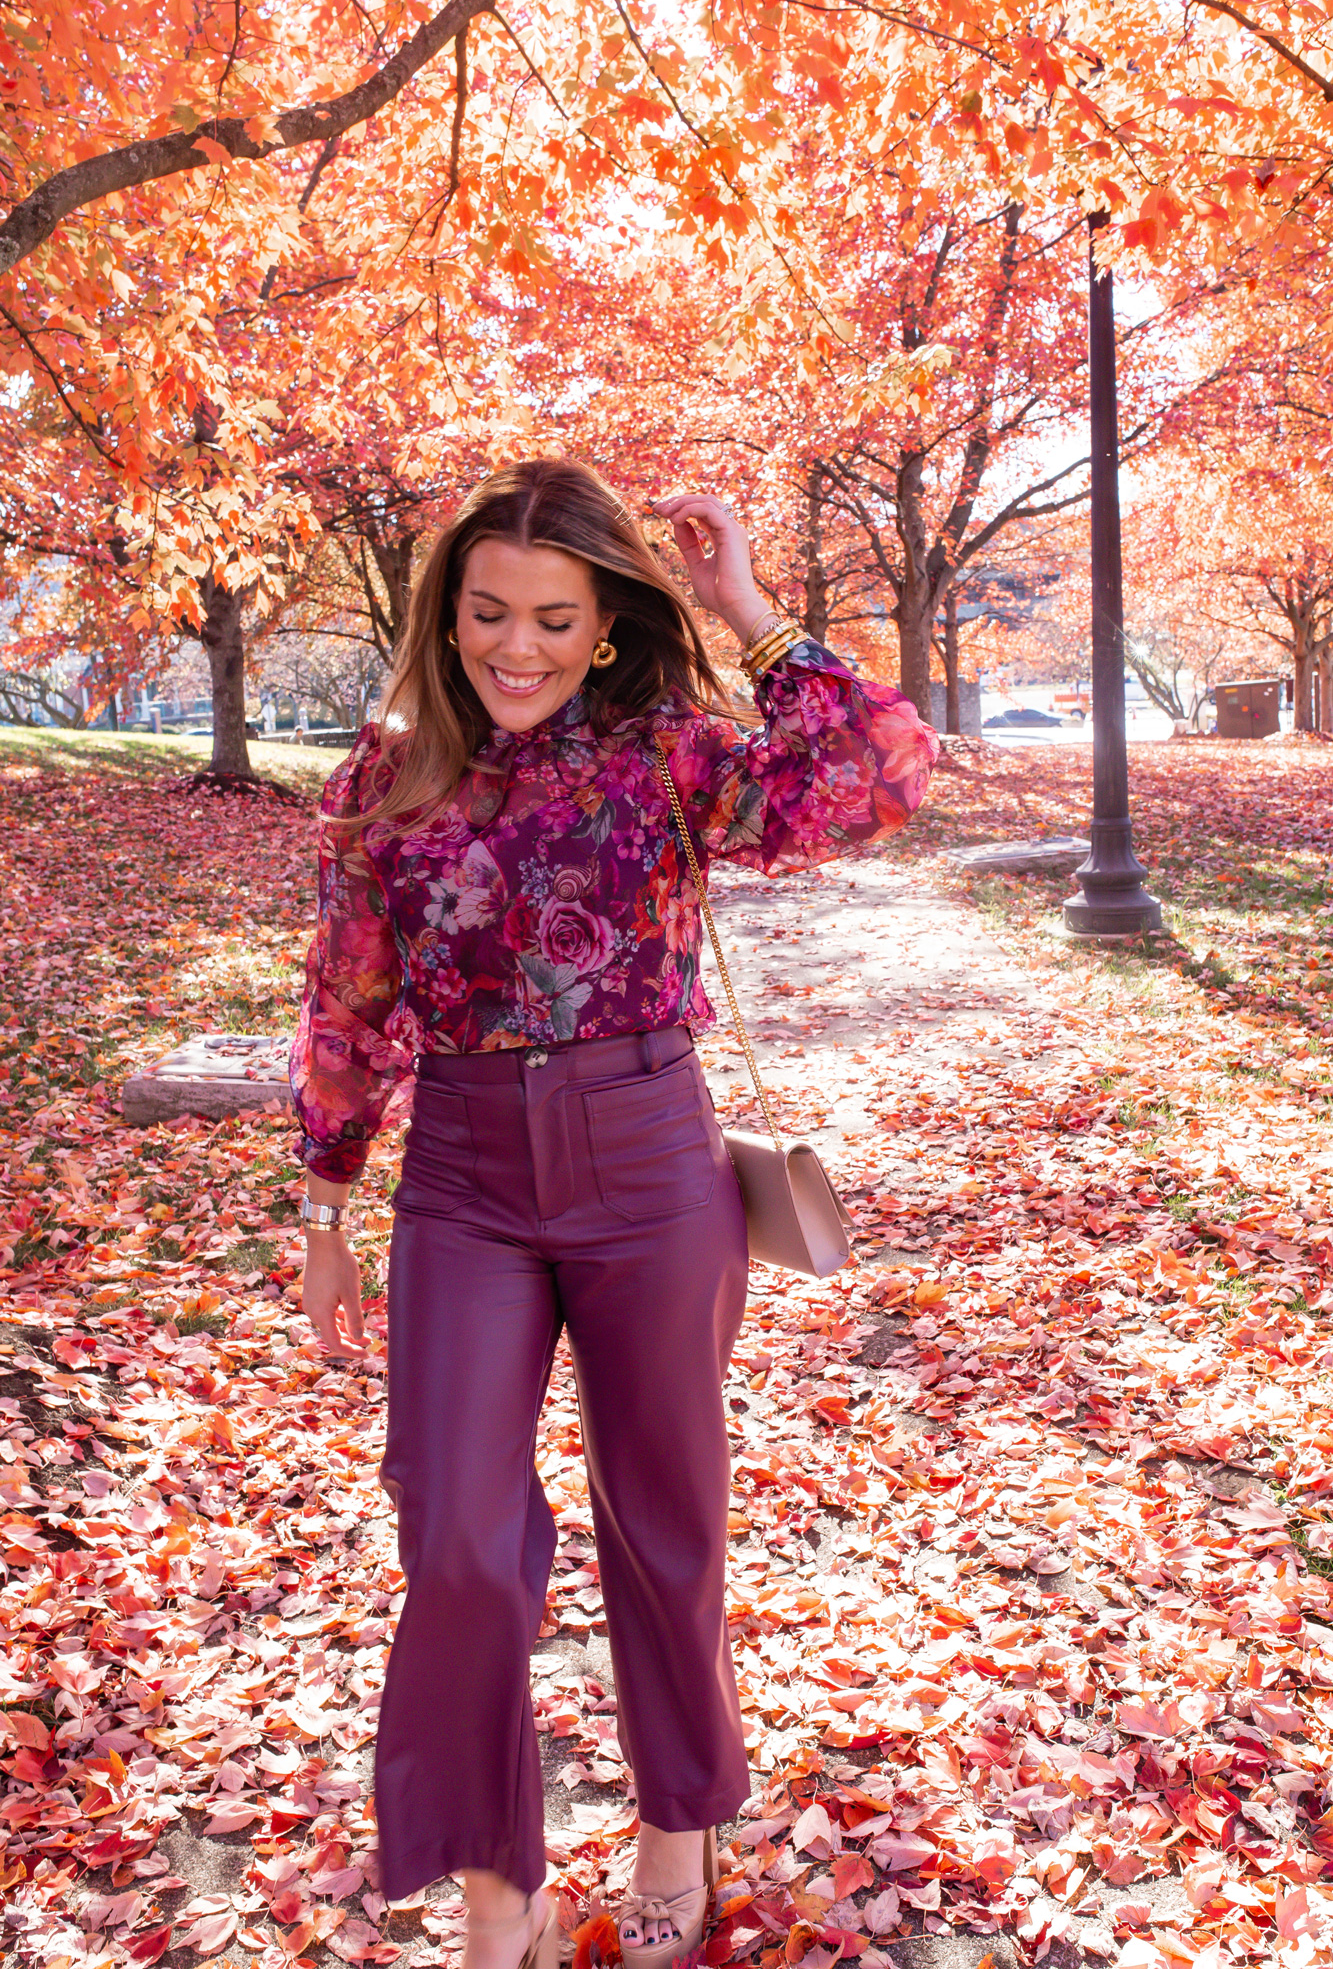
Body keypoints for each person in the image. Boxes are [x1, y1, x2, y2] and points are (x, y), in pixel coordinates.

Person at [288, 459, 938, 1969]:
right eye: (489, 615)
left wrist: (755, 610)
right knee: (450, 1530)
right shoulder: (385, 782)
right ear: (447, 618)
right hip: (461, 1178)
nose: (516, 649)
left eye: (554, 620)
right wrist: (323, 1204)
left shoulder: (668, 754)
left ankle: (676, 1817)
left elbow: (876, 780)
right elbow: (347, 1002)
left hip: (652, 1159)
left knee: (667, 1524)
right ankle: (488, 1874)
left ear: (602, 628)